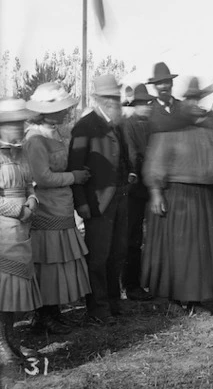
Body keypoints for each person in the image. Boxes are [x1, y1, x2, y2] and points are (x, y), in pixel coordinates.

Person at [142, 77, 213, 313]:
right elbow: (156, 161)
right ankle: (176, 300)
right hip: (177, 197)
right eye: (191, 99)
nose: (195, 104)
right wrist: (156, 192)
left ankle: (197, 299)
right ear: (184, 102)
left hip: (206, 197)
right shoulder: (169, 128)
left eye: (198, 99)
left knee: (202, 254)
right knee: (180, 254)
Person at [23, 83, 91, 335]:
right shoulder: (35, 138)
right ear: (45, 111)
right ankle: (42, 316)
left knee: (59, 261)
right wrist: (73, 177)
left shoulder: (56, 133)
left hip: (62, 205)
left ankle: (55, 313)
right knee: (48, 261)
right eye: (60, 109)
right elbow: (42, 178)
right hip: (46, 206)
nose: (65, 112)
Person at [68, 75, 129, 324]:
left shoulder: (116, 124)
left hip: (120, 199)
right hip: (97, 203)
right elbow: (75, 166)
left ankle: (114, 301)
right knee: (98, 257)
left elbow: (122, 159)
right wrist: (81, 203)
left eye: (116, 97)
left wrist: (129, 174)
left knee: (117, 253)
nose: (115, 102)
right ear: (98, 99)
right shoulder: (84, 127)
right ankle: (98, 308)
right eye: (109, 98)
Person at [0, 98, 42, 380]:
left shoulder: (20, 154)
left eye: (22, 123)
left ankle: (9, 339)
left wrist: (32, 201)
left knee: (12, 293)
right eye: (15, 124)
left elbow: (30, 184)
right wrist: (19, 209)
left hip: (21, 229)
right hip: (2, 229)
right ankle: (2, 346)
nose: (21, 128)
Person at [119, 84, 155, 301]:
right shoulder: (128, 125)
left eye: (148, 103)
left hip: (149, 186)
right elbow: (132, 157)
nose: (147, 107)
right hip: (135, 188)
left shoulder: (151, 125)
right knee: (132, 237)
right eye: (143, 104)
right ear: (135, 105)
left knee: (147, 236)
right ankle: (130, 285)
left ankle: (145, 280)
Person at [146, 62, 180, 132]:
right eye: (159, 83)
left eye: (166, 82)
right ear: (154, 86)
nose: (163, 86)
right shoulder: (148, 112)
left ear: (172, 83)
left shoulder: (183, 107)